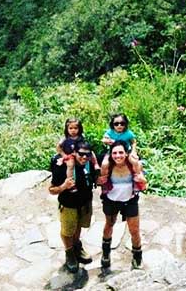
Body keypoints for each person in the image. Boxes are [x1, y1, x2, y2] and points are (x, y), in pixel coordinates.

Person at [49, 139, 97, 272]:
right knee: (67, 231)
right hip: (68, 204)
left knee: (79, 227)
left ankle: (77, 246)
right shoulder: (62, 166)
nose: (84, 157)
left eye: (87, 154)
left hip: (85, 203)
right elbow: (51, 190)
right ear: (74, 152)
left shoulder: (90, 164)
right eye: (81, 154)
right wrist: (64, 186)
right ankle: (69, 252)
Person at [100, 140, 147, 272]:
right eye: (115, 153)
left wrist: (142, 180)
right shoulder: (107, 166)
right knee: (109, 224)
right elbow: (100, 180)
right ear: (111, 154)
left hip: (130, 200)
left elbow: (144, 184)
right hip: (111, 200)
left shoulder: (134, 165)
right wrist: (100, 180)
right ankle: (106, 254)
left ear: (126, 154)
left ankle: (137, 256)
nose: (118, 156)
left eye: (121, 152)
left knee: (134, 230)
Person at [98, 114, 143, 189]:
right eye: (116, 124)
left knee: (135, 162)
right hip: (112, 152)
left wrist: (133, 151)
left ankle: (137, 180)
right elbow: (104, 139)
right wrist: (107, 141)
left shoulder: (128, 133)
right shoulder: (110, 132)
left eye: (122, 123)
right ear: (112, 125)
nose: (119, 126)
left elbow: (133, 142)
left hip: (126, 152)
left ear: (125, 124)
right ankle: (105, 182)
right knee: (104, 164)